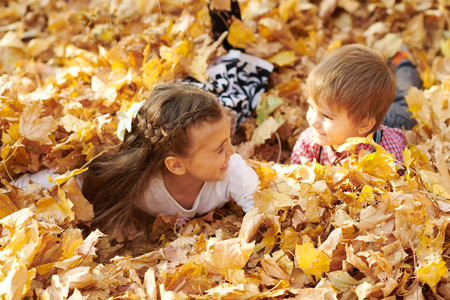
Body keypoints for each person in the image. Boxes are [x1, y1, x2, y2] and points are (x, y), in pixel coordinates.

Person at [15, 83, 259, 240]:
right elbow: (68, 181)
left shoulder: (232, 170)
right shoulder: (141, 180)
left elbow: (261, 207)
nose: (232, 151)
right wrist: (15, 191)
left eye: (229, 140)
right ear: (176, 165)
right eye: (219, 149)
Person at [291, 44, 409, 166]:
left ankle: (403, 60)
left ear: (364, 124)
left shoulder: (389, 156)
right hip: (368, 115)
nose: (313, 122)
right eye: (311, 107)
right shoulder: (308, 144)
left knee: (405, 94)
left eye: (327, 116)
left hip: (398, 119)